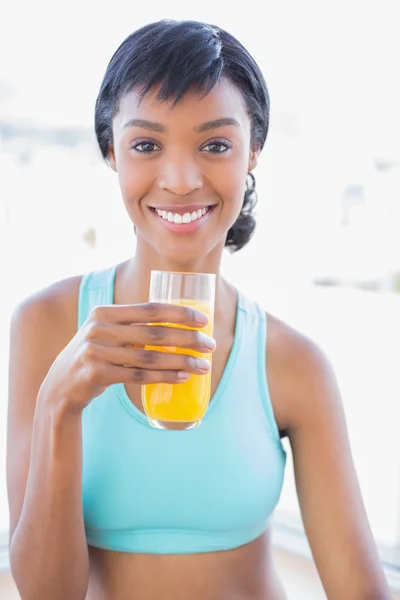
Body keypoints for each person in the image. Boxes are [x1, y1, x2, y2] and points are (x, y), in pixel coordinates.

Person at [6, 19, 392, 600]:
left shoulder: (294, 364)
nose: (181, 180)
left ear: (253, 151)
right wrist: (60, 400)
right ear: (111, 151)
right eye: (146, 144)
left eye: (215, 145)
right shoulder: (46, 325)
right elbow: (46, 594)